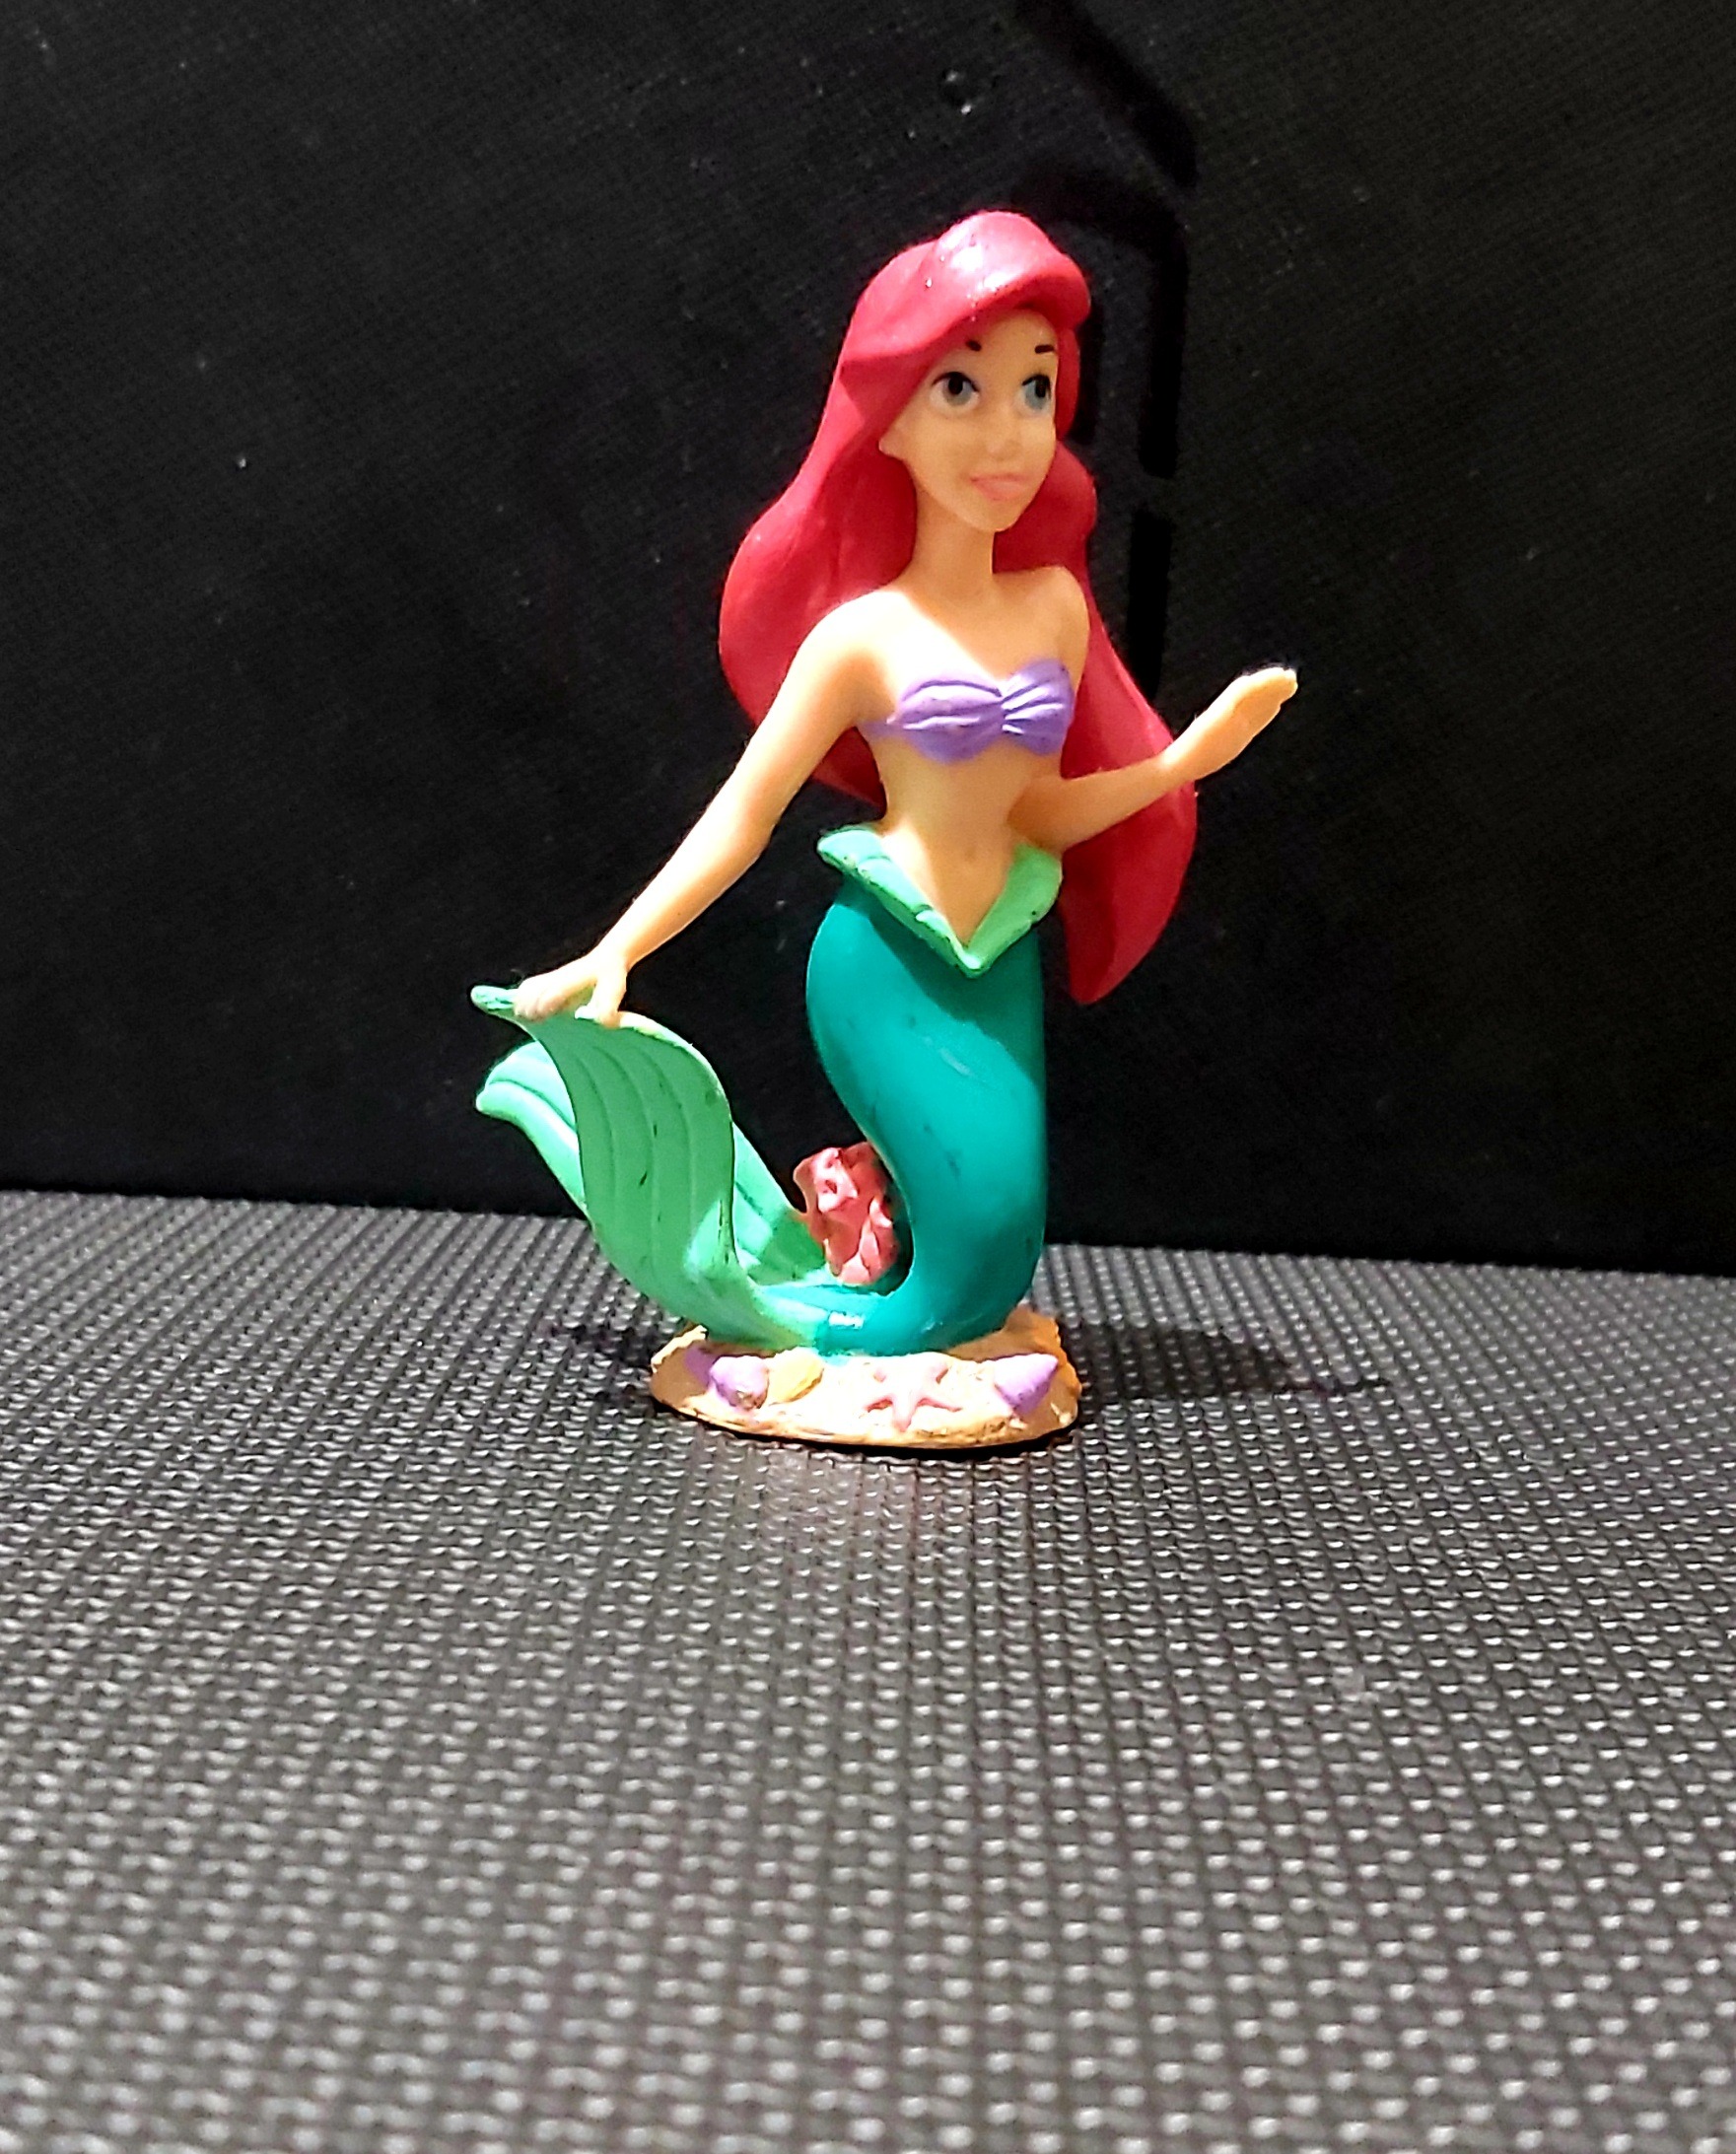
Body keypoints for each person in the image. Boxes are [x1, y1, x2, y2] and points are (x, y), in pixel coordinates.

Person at [474, 211, 1293, 1359]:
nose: (1006, 432)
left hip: (998, 952)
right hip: (884, 961)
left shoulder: (1053, 609)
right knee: (967, 1263)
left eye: (1035, 388)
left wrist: (1176, 767)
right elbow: (743, 814)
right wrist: (616, 950)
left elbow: (1037, 809)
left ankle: (839, 1285)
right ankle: (792, 1309)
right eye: (961, 388)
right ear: (890, 421)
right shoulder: (859, 640)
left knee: (995, 1252)